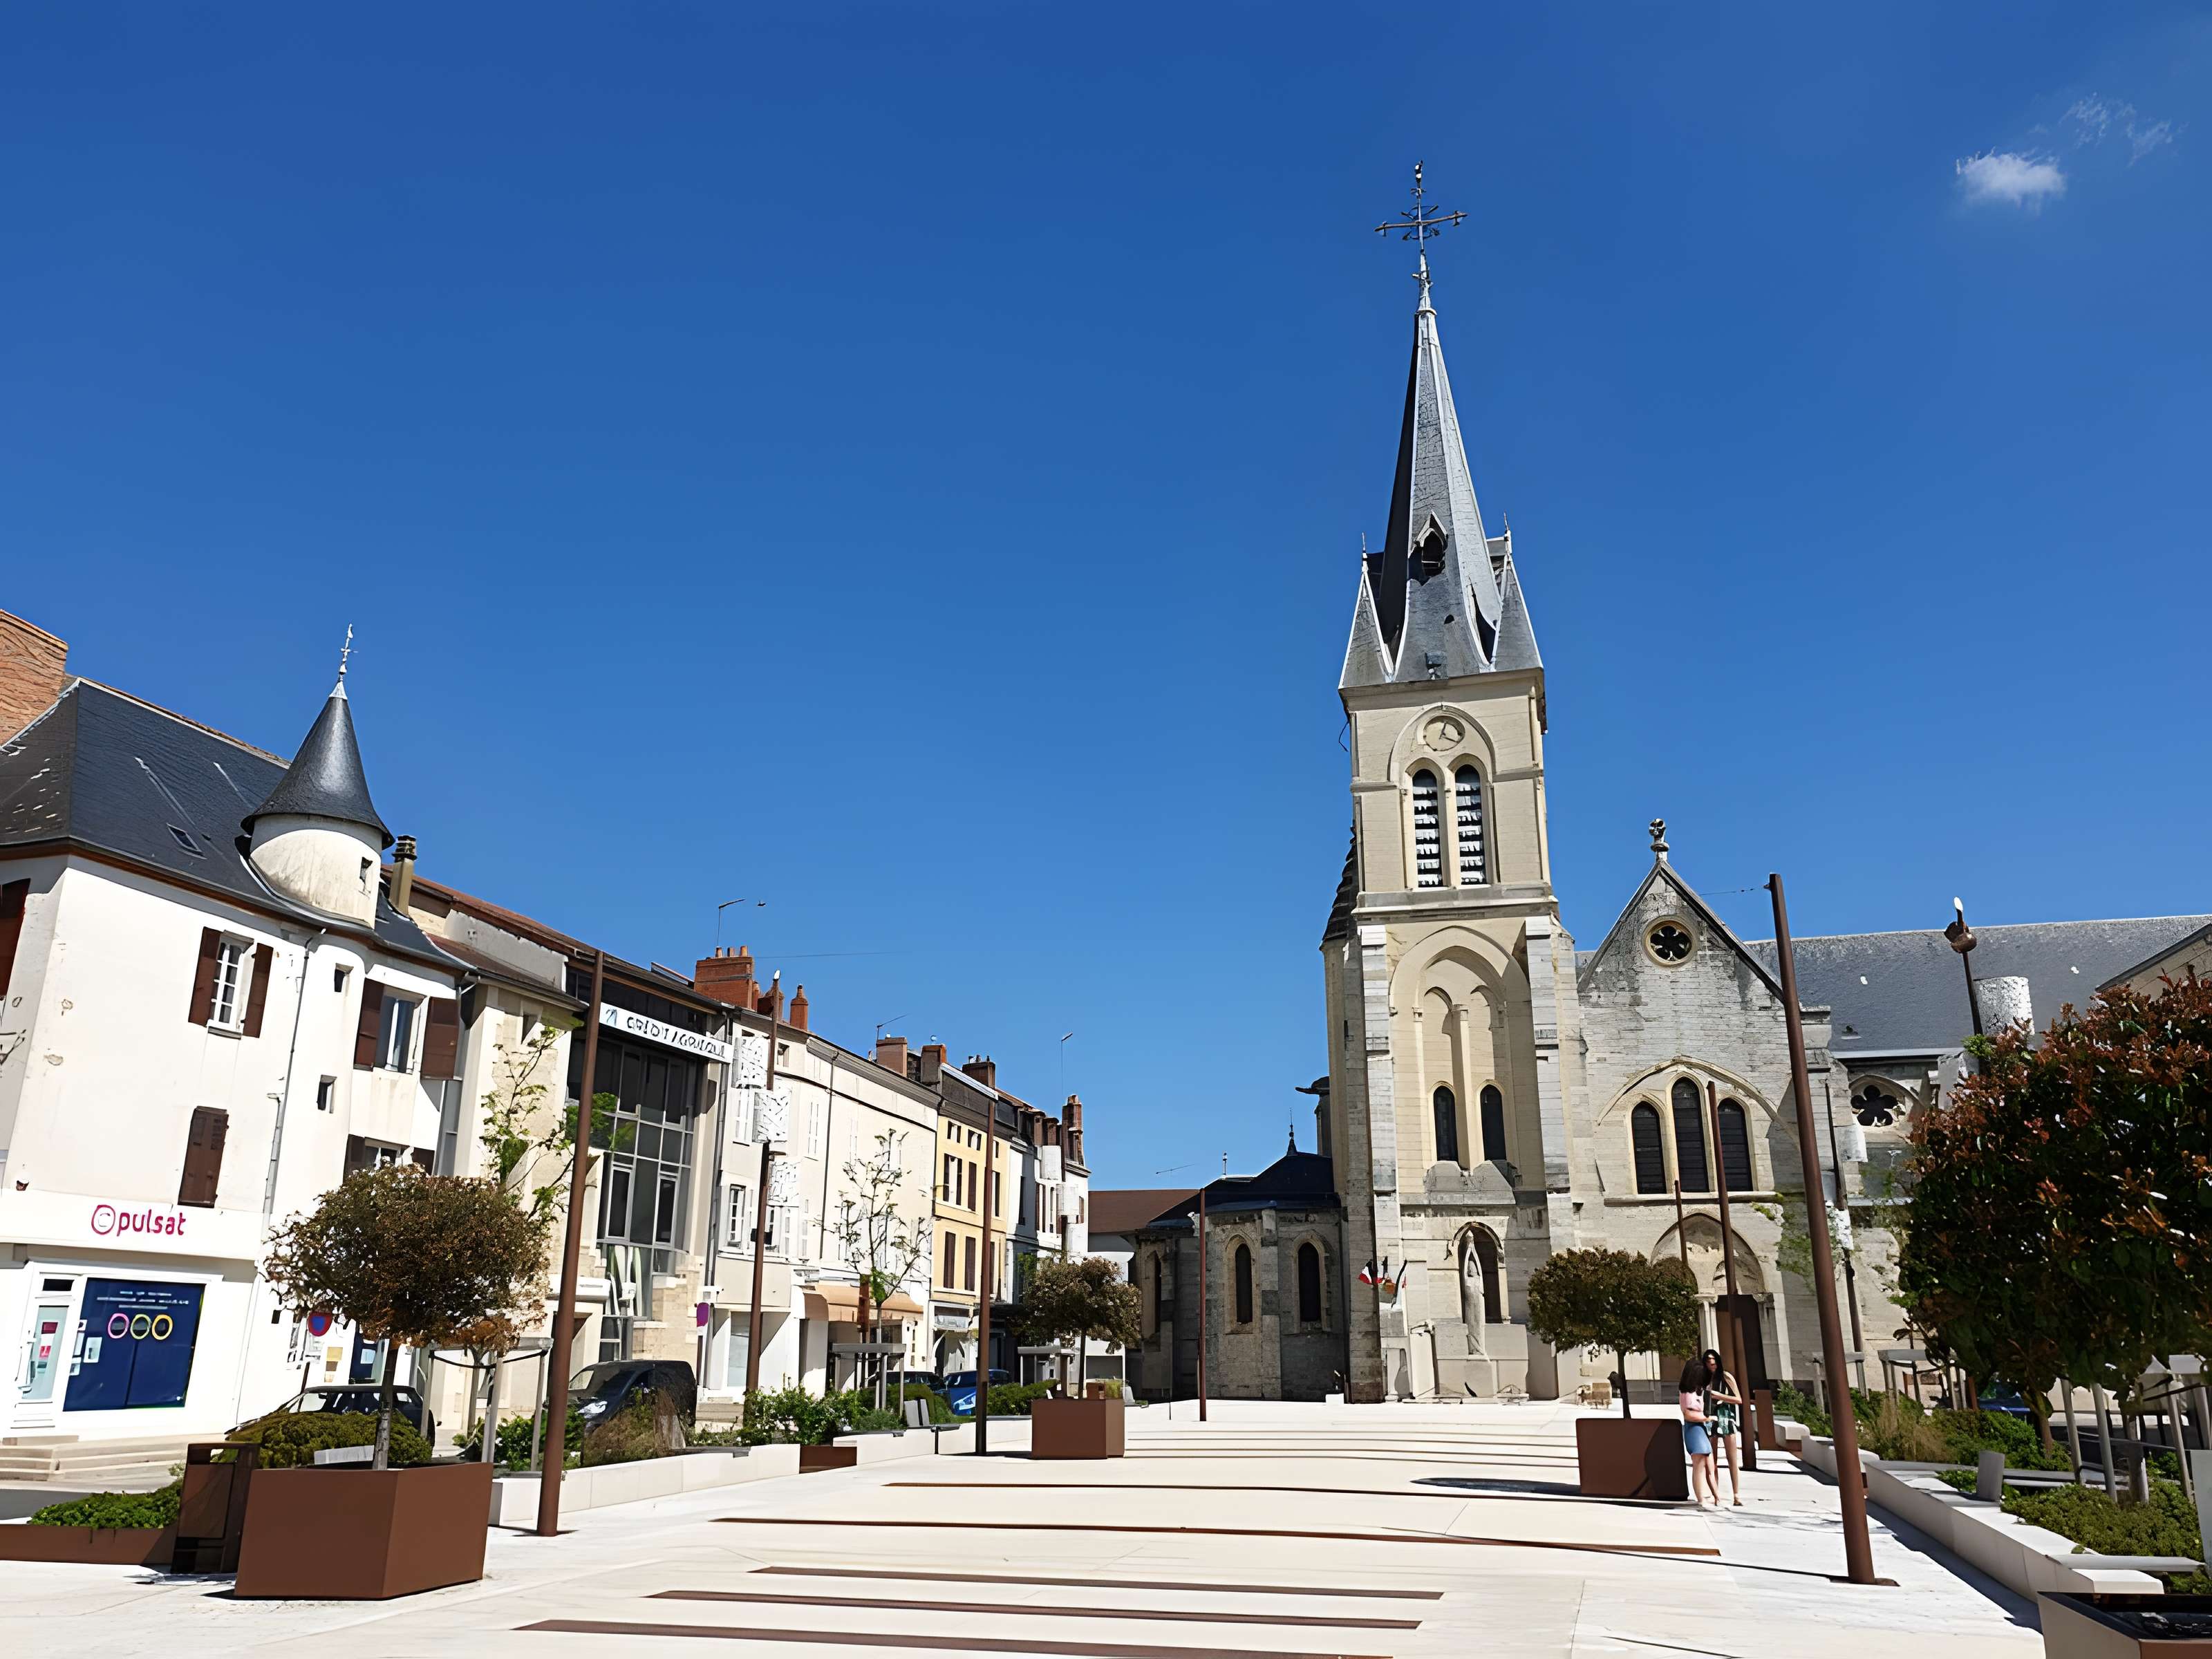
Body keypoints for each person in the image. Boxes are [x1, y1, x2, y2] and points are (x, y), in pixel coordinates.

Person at [1703, 1348, 1745, 1507]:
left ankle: (1736, 1494)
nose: (1711, 1363)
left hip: (1726, 1415)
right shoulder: (1704, 1378)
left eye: (1713, 1360)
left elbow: (1738, 1399)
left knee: (1731, 1458)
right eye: (1708, 1361)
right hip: (1710, 1416)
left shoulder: (1726, 1377)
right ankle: (1716, 1493)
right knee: (1712, 1459)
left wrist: (1718, 1395)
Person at [1678, 1357, 1718, 1507]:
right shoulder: (1687, 1394)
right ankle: (1701, 1498)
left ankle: (1715, 1496)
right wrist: (1707, 1419)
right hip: (1693, 1429)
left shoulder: (1698, 1391)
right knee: (1699, 1466)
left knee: (1708, 1465)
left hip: (1700, 1429)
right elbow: (1688, 1414)